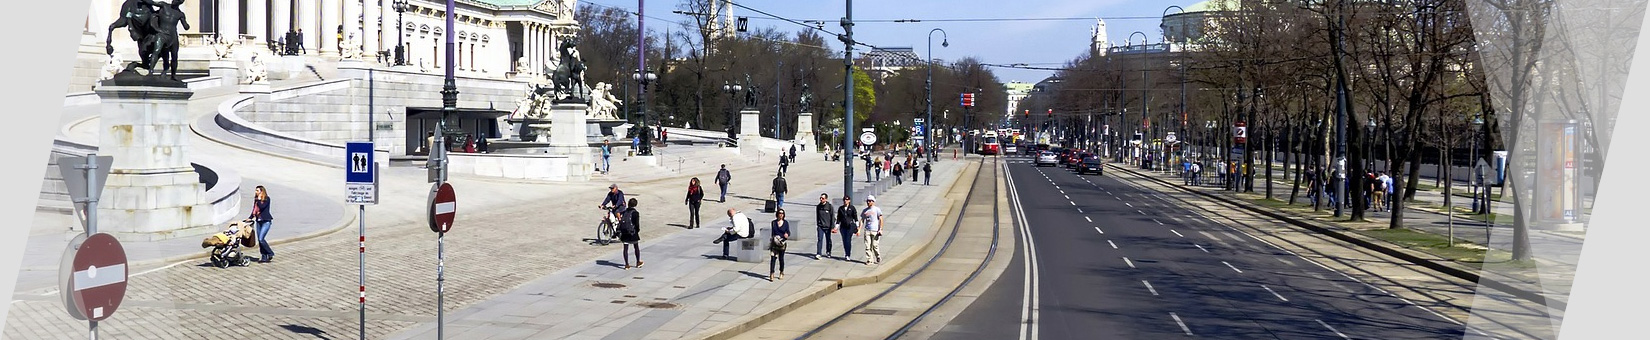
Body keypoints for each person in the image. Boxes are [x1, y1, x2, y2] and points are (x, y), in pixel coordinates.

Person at [249, 186, 275, 263]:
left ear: (261, 191)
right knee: (260, 240)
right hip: (258, 221)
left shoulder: (267, 199)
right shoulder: (256, 200)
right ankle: (264, 256)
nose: (255, 192)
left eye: (257, 190)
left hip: (266, 221)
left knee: (261, 238)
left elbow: (262, 207)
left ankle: (270, 253)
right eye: (255, 190)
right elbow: (254, 209)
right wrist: (250, 217)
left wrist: (259, 199)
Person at [617, 198, 643, 269]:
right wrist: (637, 231)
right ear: (635, 204)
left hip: (624, 232)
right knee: (636, 247)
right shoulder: (635, 213)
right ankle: (638, 262)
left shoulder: (624, 212)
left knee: (625, 249)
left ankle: (626, 264)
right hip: (632, 232)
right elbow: (637, 224)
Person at [768, 208, 792, 281]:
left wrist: (787, 235)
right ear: (777, 214)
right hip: (775, 243)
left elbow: (788, 232)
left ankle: (781, 272)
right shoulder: (773, 222)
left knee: (781, 259)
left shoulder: (786, 223)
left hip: (782, 243)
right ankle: (771, 273)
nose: (781, 215)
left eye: (782, 214)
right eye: (780, 213)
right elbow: (773, 233)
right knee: (773, 259)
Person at [861, 195, 885, 265]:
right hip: (867, 230)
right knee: (867, 246)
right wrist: (859, 229)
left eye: (870, 201)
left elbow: (881, 219)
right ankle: (869, 259)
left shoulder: (877, 209)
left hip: (875, 230)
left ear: (873, 202)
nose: (868, 202)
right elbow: (862, 219)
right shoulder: (865, 210)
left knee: (875, 245)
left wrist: (880, 229)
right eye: (867, 201)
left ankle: (878, 256)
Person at [836, 196, 859, 261]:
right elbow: (838, 218)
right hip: (843, 227)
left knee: (848, 240)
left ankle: (848, 254)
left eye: (846, 200)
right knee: (844, 240)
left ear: (849, 201)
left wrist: (857, 227)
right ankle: (846, 252)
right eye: (844, 200)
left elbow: (855, 218)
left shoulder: (852, 208)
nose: (845, 201)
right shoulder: (840, 208)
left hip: (850, 226)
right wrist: (836, 227)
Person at [814, 194, 835, 260]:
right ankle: (818, 253)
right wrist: (818, 224)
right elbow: (817, 216)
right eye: (820, 198)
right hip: (821, 226)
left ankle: (828, 251)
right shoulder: (818, 207)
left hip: (828, 226)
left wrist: (832, 226)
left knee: (828, 239)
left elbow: (832, 216)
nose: (821, 199)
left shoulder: (829, 207)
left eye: (822, 198)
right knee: (820, 239)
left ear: (826, 199)